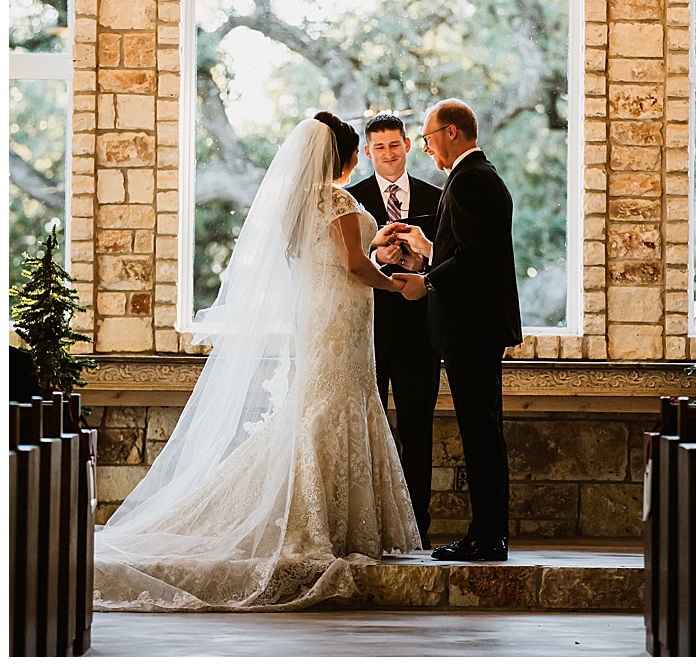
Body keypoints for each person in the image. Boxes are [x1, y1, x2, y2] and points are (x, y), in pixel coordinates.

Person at [94, 112, 420, 611]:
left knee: (320, 401)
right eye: (358, 151)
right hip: (342, 313)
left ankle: (319, 512)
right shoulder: (336, 197)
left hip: (321, 311)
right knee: (332, 402)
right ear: (347, 155)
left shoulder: (300, 203)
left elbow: (329, 255)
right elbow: (354, 267)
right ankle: (317, 519)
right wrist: (399, 283)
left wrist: (372, 246)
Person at [389, 100, 522, 562]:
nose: (425, 149)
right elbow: (464, 247)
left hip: (472, 329)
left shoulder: (469, 181)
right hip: (478, 328)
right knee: (483, 430)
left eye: (426, 139)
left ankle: (487, 537)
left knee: (481, 433)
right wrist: (429, 247)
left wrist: (426, 281)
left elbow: (473, 261)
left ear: (450, 133)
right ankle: (489, 534)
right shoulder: (479, 177)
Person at [347, 112, 444, 548]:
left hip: (419, 331)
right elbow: (341, 261)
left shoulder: (436, 196)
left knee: (417, 429)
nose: (388, 154)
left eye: (395, 145)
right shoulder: (351, 199)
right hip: (366, 330)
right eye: (379, 147)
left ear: (407, 145)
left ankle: (416, 526)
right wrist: (375, 254)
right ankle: (373, 526)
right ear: (367, 152)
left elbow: (447, 259)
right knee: (368, 430)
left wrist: (419, 260)